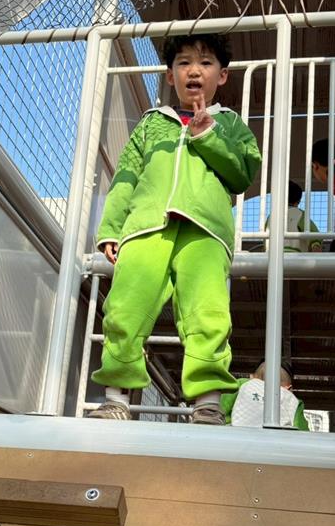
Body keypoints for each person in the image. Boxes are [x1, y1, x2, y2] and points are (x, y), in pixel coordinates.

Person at [88, 33, 261, 424]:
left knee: (207, 313)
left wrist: (207, 135)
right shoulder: (152, 123)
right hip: (146, 228)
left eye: (206, 63)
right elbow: (126, 176)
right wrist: (111, 228)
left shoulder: (230, 124)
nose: (194, 70)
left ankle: (208, 403)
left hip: (205, 232)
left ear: (222, 76)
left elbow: (242, 173)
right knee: (125, 307)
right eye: (183, 63)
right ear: (170, 76)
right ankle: (115, 399)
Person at [220, 362, 309, 430]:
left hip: (235, 436)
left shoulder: (242, 384)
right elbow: (302, 431)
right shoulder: (293, 401)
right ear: (288, 388)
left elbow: (221, 407)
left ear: (251, 377)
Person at [266, 180, 322, 252]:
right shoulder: (300, 214)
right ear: (298, 201)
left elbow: (265, 238)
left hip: (273, 254)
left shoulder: (272, 215)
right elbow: (313, 234)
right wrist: (315, 245)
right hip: (295, 255)